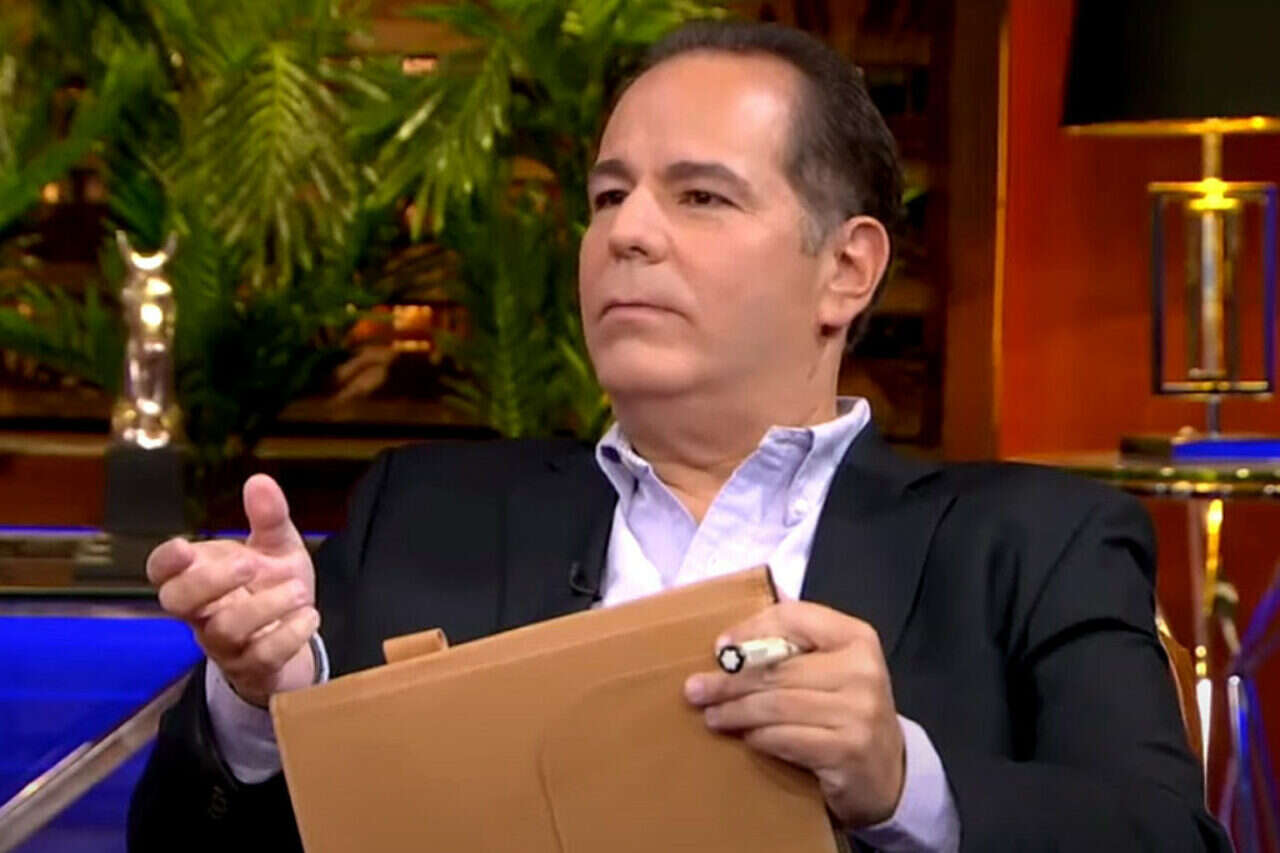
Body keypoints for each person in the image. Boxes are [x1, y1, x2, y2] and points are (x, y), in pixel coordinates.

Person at [127, 20, 1230, 852]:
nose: (629, 234)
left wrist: (905, 781)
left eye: (699, 197)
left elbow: (1163, 836)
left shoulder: (1034, 545)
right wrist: (259, 706)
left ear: (846, 268)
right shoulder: (422, 514)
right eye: (609, 196)